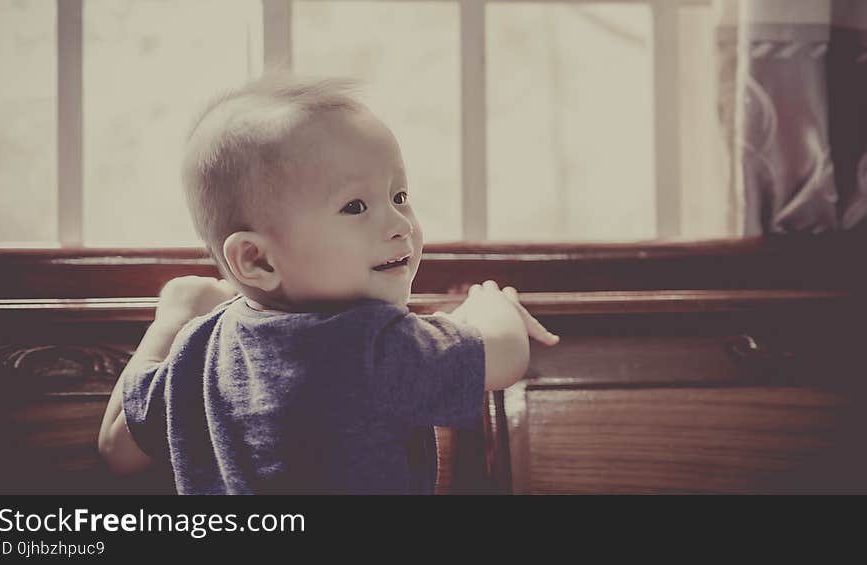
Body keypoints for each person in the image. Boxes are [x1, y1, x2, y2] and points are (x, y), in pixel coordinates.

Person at [98, 74, 559, 494]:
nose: (400, 223)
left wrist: (174, 319)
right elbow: (505, 355)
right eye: (355, 207)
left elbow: (117, 447)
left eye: (399, 196)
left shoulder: (199, 347)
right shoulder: (368, 341)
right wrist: (489, 303)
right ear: (255, 259)